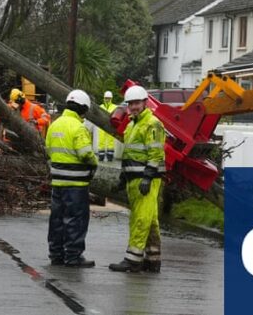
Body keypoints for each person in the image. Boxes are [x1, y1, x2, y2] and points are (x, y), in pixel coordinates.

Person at [108, 85, 166, 274]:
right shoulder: (133, 125)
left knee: (140, 219)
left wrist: (148, 177)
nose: (133, 107)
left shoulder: (152, 124)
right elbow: (129, 154)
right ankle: (152, 259)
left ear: (145, 103)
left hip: (145, 179)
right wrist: (123, 178)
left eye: (136, 103)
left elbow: (155, 153)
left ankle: (132, 260)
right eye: (131, 104)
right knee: (149, 219)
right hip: (135, 179)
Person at [46, 89, 98, 268]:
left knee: (57, 219)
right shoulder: (78, 128)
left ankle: (56, 254)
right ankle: (73, 256)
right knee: (76, 220)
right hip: (76, 185)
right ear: (83, 109)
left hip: (57, 183)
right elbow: (86, 154)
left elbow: (48, 150)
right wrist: (94, 163)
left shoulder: (55, 124)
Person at [97, 91, 118, 161]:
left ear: (111, 99)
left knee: (111, 141)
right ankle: (101, 156)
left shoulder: (115, 107)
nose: (107, 100)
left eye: (108, 98)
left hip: (111, 127)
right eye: (106, 98)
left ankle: (110, 156)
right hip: (102, 126)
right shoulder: (101, 107)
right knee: (101, 141)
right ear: (104, 98)